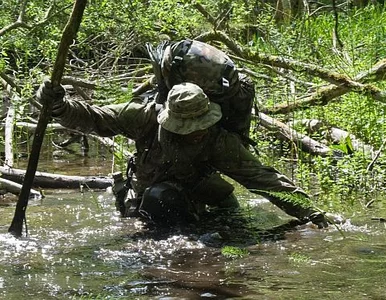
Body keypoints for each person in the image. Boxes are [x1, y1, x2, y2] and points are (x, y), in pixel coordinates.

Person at [37, 80, 333, 228]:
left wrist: (313, 214)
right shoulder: (143, 117)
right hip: (153, 197)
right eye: (188, 126)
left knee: (230, 225)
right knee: (158, 200)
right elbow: (94, 118)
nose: (196, 131)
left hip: (201, 197)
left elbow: (263, 179)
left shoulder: (219, 141)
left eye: (201, 125)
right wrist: (59, 107)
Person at [146, 39, 255, 145]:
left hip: (225, 87)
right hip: (187, 69)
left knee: (232, 140)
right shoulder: (176, 66)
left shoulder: (225, 92)